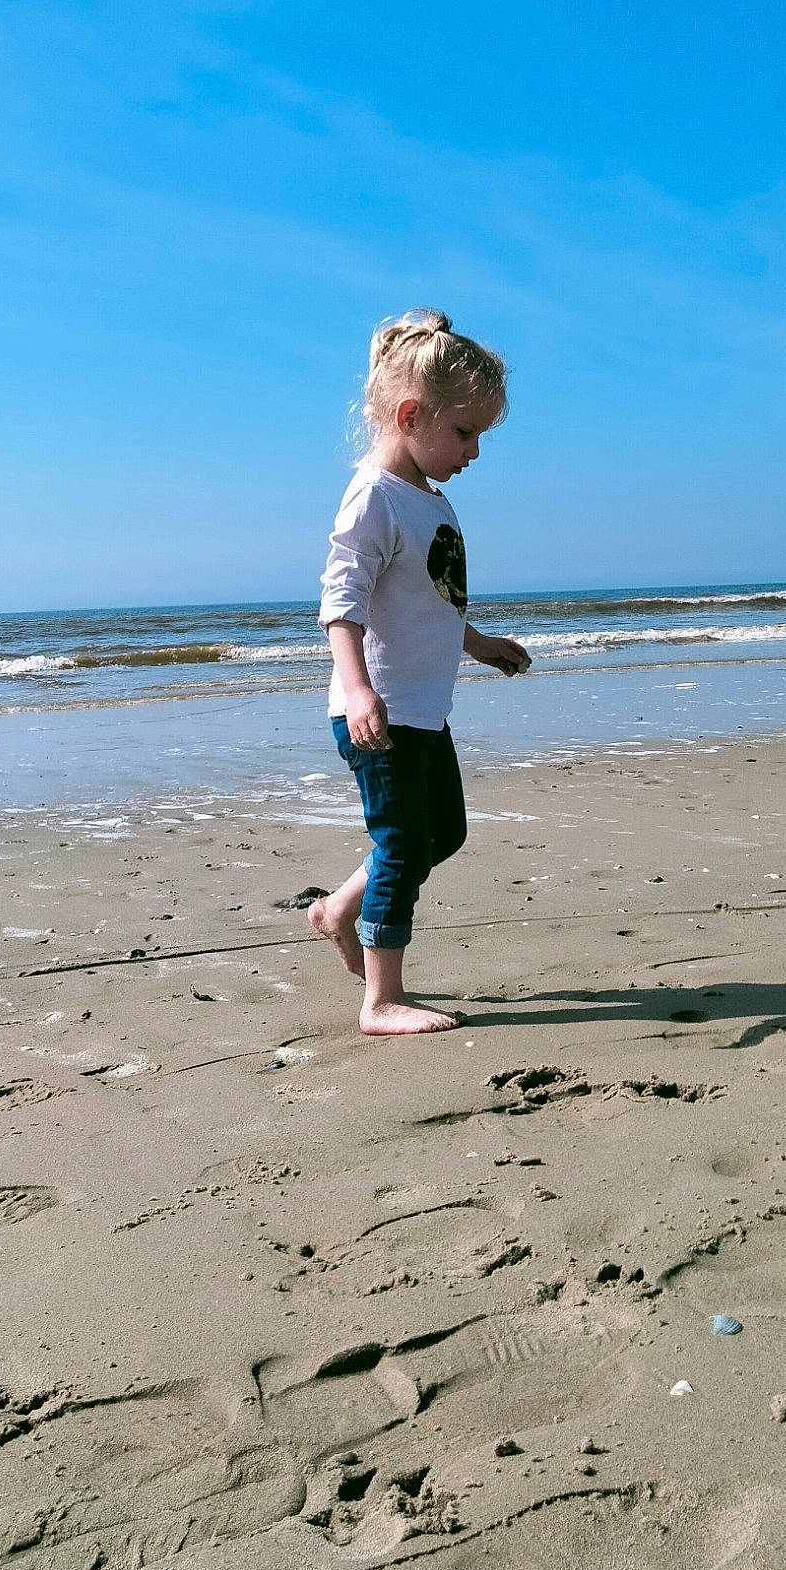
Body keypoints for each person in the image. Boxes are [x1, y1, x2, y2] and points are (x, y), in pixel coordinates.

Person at [310, 310, 531, 1035]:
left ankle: (340, 908)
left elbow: (427, 603)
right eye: (465, 433)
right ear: (411, 415)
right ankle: (379, 1001)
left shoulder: (428, 500)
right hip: (380, 711)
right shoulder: (374, 495)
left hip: (422, 709)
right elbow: (340, 603)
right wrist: (360, 688)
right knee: (405, 844)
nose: (474, 451)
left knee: (445, 834)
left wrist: (479, 643)